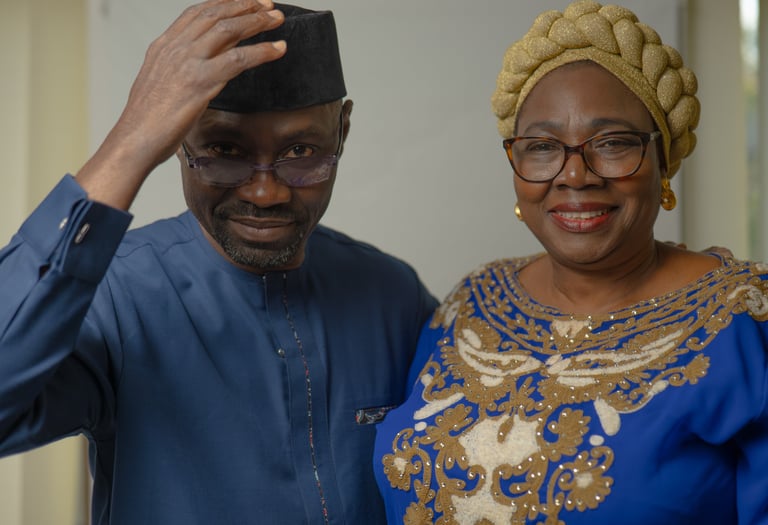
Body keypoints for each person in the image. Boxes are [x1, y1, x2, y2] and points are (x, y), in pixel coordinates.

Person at [0, 1, 436, 524]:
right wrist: (131, 138)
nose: (265, 191)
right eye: (223, 150)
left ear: (342, 131)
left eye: (301, 152)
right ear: (178, 141)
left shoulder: (392, 294)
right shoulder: (116, 298)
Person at [374, 1, 768, 523]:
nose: (575, 175)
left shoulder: (746, 319)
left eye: (611, 143)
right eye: (541, 146)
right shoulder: (470, 305)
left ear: (662, 161)